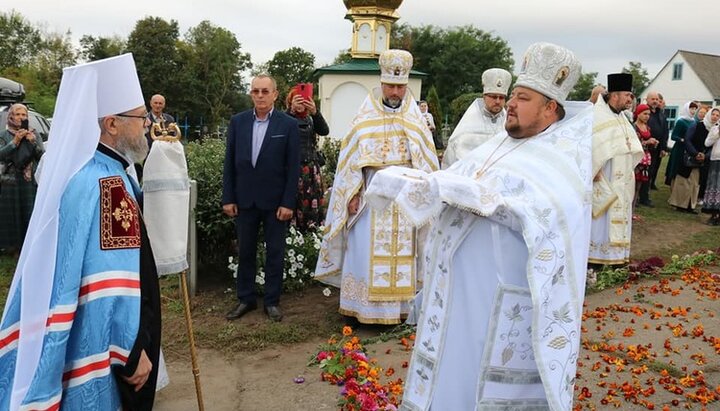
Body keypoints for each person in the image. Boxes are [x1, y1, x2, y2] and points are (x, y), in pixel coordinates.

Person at [366, 42, 592, 410]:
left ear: (551, 108)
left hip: (501, 300)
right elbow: (455, 180)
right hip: (456, 295)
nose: (510, 104)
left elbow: (547, 212)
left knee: (480, 387)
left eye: (521, 97)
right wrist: (417, 183)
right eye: (511, 96)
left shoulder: (563, 162)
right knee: (450, 378)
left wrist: (472, 195)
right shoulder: (497, 144)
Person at [0, 54, 161, 410]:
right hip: (113, 353)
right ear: (112, 124)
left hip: (90, 335)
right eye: (140, 115)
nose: (148, 123)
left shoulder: (96, 170)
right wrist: (132, 354)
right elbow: (109, 283)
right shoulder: (108, 185)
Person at [313, 49, 439, 325]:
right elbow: (350, 164)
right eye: (391, 86)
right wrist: (353, 193)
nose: (395, 92)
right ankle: (361, 311)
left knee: (404, 254)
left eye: (400, 87)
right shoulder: (364, 119)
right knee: (364, 250)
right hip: (371, 198)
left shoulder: (416, 122)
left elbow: (427, 164)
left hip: (404, 201)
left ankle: (399, 313)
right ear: (382, 84)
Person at [222, 74, 300, 322]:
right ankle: (245, 299)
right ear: (251, 94)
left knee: (275, 252)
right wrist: (228, 197)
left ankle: (272, 301)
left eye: (265, 91)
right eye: (255, 91)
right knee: (245, 251)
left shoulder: (287, 125)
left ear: (275, 94)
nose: (260, 96)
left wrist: (288, 202)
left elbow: (293, 167)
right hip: (245, 200)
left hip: (276, 203)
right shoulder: (238, 122)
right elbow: (229, 163)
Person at [588, 73, 644, 266]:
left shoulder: (622, 118)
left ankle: (616, 258)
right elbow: (590, 147)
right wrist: (593, 169)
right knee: (602, 219)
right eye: (627, 95)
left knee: (619, 212)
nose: (630, 99)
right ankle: (596, 260)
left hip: (622, 178)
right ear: (614, 95)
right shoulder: (596, 116)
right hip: (605, 177)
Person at [442, 68, 512, 168]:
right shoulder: (468, 125)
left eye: (501, 97)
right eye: (493, 96)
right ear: (484, 97)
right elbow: (454, 160)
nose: (497, 101)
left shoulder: (509, 125)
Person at [0, 103, 44, 251]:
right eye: (17, 114)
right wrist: (14, 142)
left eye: (24, 115)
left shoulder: (34, 133)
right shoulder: (4, 135)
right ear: (11, 116)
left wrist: (32, 142)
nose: (21, 117)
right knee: (13, 213)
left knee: (30, 211)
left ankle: (30, 246)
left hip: (29, 179)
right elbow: (1, 155)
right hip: (11, 179)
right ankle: (13, 247)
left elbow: (42, 156)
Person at [285, 87, 329, 232]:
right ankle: (293, 235)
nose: (301, 103)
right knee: (294, 203)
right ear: (290, 102)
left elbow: (324, 130)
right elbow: (281, 130)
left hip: (311, 170)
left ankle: (312, 234)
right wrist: (291, 111)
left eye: (304, 100)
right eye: (297, 100)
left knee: (313, 204)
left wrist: (315, 112)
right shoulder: (285, 119)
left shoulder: (310, 119)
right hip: (293, 168)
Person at [668, 107, 720, 213]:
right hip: (689, 156)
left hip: (703, 160)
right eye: (713, 114)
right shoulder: (697, 125)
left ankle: (690, 206)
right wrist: (695, 153)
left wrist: (704, 156)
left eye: (717, 115)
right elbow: (687, 139)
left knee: (695, 183)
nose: (715, 117)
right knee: (684, 181)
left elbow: (712, 146)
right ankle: (679, 204)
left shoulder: (715, 129)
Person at [638, 91, 668, 206]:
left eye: (657, 99)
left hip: (656, 149)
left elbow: (665, 132)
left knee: (650, 174)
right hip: (645, 148)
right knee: (641, 174)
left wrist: (663, 148)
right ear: (647, 100)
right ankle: (640, 196)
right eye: (653, 99)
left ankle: (645, 196)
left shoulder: (661, 114)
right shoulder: (644, 113)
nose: (655, 101)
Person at [632, 104, 657, 218]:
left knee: (639, 185)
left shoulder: (648, 128)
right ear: (638, 113)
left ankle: (632, 210)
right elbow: (633, 144)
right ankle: (628, 210)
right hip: (636, 159)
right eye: (644, 114)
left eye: (649, 114)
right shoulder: (633, 127)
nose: (647, 116)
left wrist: (653, 144)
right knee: (632, 185)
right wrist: (647, 142)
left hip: (645, 159)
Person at [665, 101, 698, 186]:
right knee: (676, 169)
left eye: (695, 109)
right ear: (687, 109)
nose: (693, 111)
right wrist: (682, 140)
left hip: (688, 149)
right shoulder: (681, 121)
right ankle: (673, 189)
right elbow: (673, 136)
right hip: (679, 149)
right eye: (691, 108)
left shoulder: (694, 121)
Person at [702, 119, 720, 225]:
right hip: (716, 161)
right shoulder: (714, 128)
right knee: (714, 186)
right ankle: (714, 213)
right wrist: (717, 134)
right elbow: (707, 143)